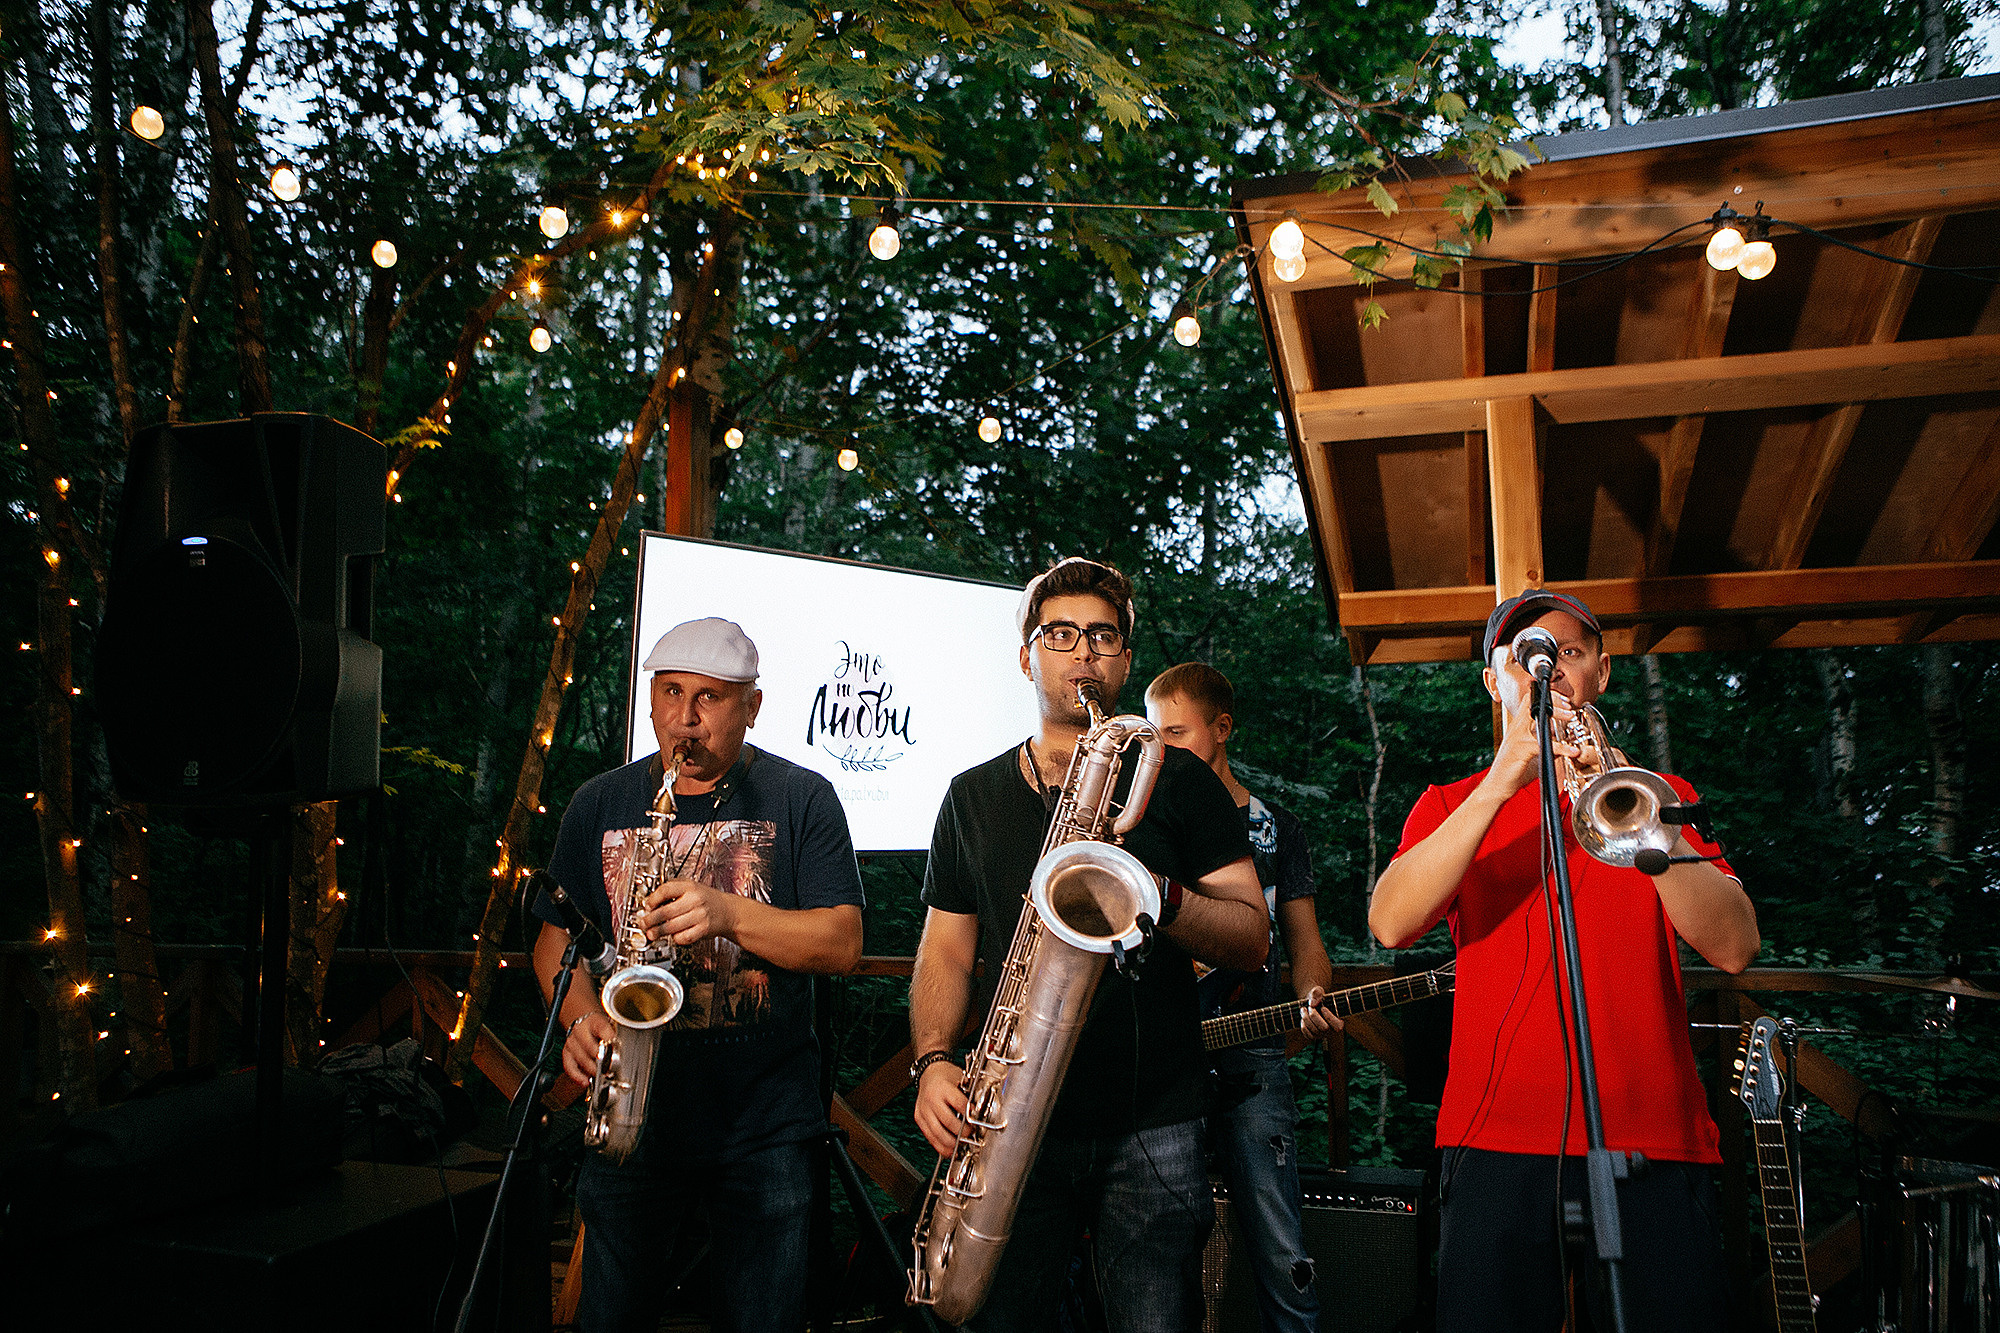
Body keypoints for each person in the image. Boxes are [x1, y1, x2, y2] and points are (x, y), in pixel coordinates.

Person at [1367, 590, 1759, 1333]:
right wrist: (1504, 780)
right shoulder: (1451, 800)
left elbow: (1736, 945)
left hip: (1655, 1137)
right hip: (1494, 1140)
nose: (1549, 673)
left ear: (1602, 673)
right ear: (1495, 682)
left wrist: (1639, 812)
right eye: (1526, 660)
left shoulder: (1664, 796)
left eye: (1568, 653)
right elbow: (1390, 922)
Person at [910, 556, 1272, 1333]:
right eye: (1061, 633)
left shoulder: (1181, 782)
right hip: (1008, 1119)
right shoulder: (971, 794)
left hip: (1155, 1116)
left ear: (1126, 659)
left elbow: (1250, 935)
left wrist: (1156, 893)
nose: (1083, 652)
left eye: (1103, 636)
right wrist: (933, 1059)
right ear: (1026, 655)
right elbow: (943, 949)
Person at [531, 616, 865, 1333]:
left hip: (764, 1125)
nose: (686, 717)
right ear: (650, 699)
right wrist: (582, 1018)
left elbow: (842, 943)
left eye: (711, 697)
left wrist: (728, 912)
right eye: (671, 691)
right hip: (633, 1116)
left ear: (753, 705)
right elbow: (554, 940)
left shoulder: (801, 797)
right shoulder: (600, 801)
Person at [1146, 662, 1337, 1333]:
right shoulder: (1149, 822)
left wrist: (1311, 997)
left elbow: (1306, 940)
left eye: (1175, 731)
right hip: (1165, 1059)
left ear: (1221, 728)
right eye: (1153, 733)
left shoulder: (1275, 828)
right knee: (1165, 1246)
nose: (1160, 746)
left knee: (1280, 1242)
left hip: (1254, 1055)